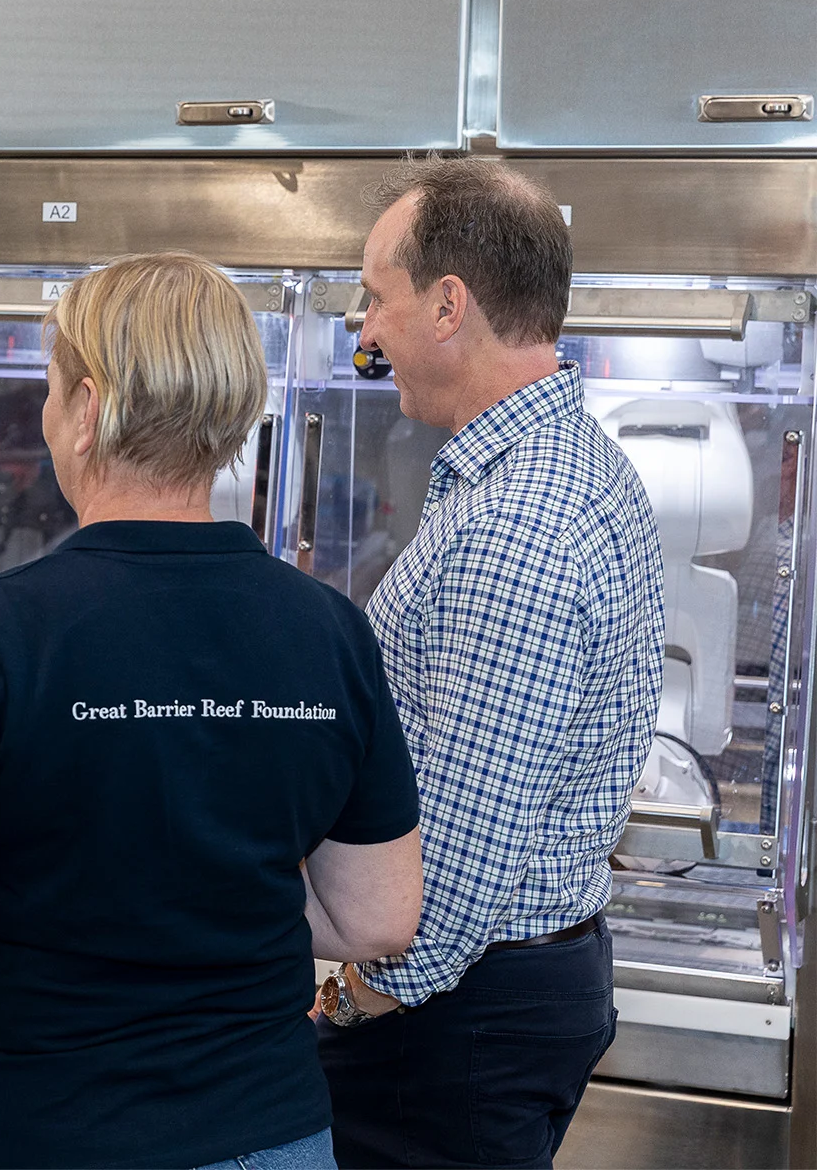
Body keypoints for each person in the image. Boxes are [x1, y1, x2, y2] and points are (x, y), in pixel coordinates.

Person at [0, 252, 425, 1170]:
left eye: (49, 388)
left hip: (37, 1133)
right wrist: (212, 899)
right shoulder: (329, 629)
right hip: (265, 1133)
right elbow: (380, 919)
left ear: (87, 407)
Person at [315, 159, 665, 1168]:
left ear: (447, 304)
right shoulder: (549, 467)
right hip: (500, 994)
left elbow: (461, 863)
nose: (364, 329)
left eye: (376, 297)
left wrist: (347, 998)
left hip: (455, 1014)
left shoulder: (518, 527)